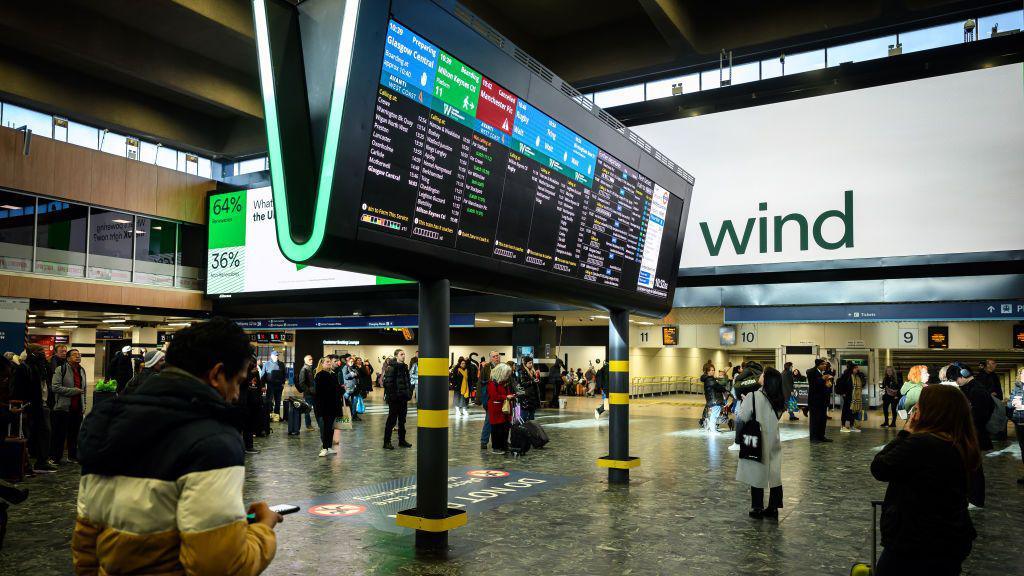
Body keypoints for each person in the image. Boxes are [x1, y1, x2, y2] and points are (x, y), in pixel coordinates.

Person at [73, 317, 281, 575]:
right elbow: (220, 566)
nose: (237, 394)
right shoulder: (214, 442)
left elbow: (86, 541)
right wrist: (263, 529)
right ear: (217, 374)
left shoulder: (106, 423)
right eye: (236, 382)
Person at [870, 384, 979, 575]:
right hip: (948, 538)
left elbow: (880, 467)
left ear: (933, 411)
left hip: (915, 542)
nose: (915, 410)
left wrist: (905, 433)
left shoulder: (923, 444)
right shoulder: (958, 442)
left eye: (919, 406)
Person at [737, 367, 786, 519]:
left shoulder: (753, 396)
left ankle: (757, 507)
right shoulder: (778, 398)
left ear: (766, 379)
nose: (760, 375)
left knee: (756, 472)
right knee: (775, 473)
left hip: (758, 440)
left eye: (763, 374)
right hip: (774, 440)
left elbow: (742, 417)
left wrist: (744, 403)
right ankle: (773, 507)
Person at [13, 345, 56, 473]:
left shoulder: (43, 367)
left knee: (44, 433)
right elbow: (18, 389)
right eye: (39, 351)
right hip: (31, 406)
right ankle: (28, 464)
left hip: (43, 405)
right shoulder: (25, 368)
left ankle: (41, 461)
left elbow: (46, 386)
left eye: (43, 351)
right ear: (31, 353)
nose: (42, 353)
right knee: (31, 434)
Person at [50, 348, 87, 464]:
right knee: (59, 434)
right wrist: (73, 391)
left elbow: (84, 390)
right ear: (68, 358)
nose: (78, 356)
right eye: (75, 355)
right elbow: (55, 387)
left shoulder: (82, 370)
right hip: (63, 408)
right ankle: (55, 458)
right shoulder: (61, 369)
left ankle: (72, 456)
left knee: (74, 434)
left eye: (79, 354)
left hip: (77, 408)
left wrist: (84, 404)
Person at [951, 363, 993, 452]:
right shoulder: (971, 387)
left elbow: (980, 415)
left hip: (975, 435)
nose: (956, 382)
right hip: (974, 434)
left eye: (956, 379)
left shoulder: (976, 390)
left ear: (964, 374)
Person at [382, 349, 412, 450]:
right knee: (391, 421)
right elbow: (388, 384)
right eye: (401, 354)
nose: (403, 356)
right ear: (396, 356)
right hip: (395, 400)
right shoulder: (391, 367)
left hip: (403, 398)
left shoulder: (405, 367)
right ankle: (386, 442)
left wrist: (408, 394)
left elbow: (407, 382)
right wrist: (393, 397)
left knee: (402, 421)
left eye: (404, 354)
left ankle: (402, 441)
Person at [485, 363, 516, 454]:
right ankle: (496, 447)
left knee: (505, 428)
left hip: (504, 409)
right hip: (496, 409)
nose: (507, 375)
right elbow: (494, 396)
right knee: (497, 429)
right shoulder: (492, 383)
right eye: (506, 373)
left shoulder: (504, 383)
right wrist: (506, 397)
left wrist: (510, 396)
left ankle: (504, 445)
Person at [313, 357, 339, 457]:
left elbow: (336, 389)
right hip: (324, 406)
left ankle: (328, 447)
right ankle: (324, 448)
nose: (329, 363)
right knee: (325, 428)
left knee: (331, 427)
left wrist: (341, 389)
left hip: (332, 405)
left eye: (329, 362)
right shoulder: (319, 375)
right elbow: (319, 393)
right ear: (322, 364)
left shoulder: (332, 374)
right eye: (327, 362)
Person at [806, 358, 832, 443]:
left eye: (825, 364)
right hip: (814, 401)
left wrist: (827, 381)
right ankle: (813, 438)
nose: (825, 365)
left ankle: (821, 436)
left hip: (822, 400)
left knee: (822, 419)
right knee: (814, 419)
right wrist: (823, 379)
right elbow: (814, 384)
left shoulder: (823, 373)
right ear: (818, 365)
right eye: (823, 364)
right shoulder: (812, 372)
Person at [479, 351, 501, 449]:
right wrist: (479, 399)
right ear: (491, 358)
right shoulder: (486, 368)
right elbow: (480, 383)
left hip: (500, 397)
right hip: (489, 398)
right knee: (488, 420)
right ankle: (484, 441)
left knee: (499, 421)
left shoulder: (502, 367)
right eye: (495, 356)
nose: (497, 358)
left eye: (498, 356)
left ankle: (498, 441)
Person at [1008, 368, 1024, 485]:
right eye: (1023, 374)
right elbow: (1009, 403)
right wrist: (1012, 403)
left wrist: (1022, 406)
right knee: (1023, 448)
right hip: (1019, 421)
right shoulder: (1017, 387)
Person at [701, 362, 727, 432]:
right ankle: (713, 430)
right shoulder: (710, 380)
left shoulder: (709, 379)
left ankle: (712, 428)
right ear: (707, 371)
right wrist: (724, 389)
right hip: (714, 399)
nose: (713, 371)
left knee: (714, 414)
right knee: (714, 415)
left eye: (713, 370)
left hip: (713, 399)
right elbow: (718, 387)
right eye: (711, 370)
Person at [836, 362, 862, 433]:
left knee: (853, 411)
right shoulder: (846, 375)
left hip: (855, 397)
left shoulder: (857, 376)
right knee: (845, 410)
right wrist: (843, 393)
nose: (857, 369)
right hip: (848, 396)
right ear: (852, 369)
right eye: (856, 368)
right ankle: (843, 426)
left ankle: (851, 426)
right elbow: (840, 383)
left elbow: (862, 382)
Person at [260, 350, 286, 418]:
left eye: (277, 355)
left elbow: (284, 374)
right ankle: (269, 415)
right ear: (271, 356)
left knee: (278, 401)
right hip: (270, 385)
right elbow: (263, 376)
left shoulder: (281, 364)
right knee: (269, 401)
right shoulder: (266, 364)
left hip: (279, 386)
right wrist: (263, 386)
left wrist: (283, 383)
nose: (277, 357)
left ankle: (276, 415)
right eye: (275, 355)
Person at [516, 356, 541, 421]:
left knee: (531, 416)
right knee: (524, 416)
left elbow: (536, 382)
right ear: (525, 363)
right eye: (529, 363)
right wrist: (532, 381)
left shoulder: (533, 371)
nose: (531, 364)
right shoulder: (522, 371)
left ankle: (530, 429)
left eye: (532, 363)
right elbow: (522, 383)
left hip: (533, 397)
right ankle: (523, 429)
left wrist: (538, 378)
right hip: (526, 397)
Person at [296, 354, 316, 431]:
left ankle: (317, 424)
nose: (311, 360)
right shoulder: (304, 369)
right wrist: (309, 390)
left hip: (314, 393)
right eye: (309, 359)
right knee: (308, 410)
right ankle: (308, 425)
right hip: (309, 394)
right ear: (306, 361)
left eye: (312, 359)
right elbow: (301, 383)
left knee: (316, 409)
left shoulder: (311, 368)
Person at [342, 356, 361, 422]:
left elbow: (358, 375)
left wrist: (356, 373)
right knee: (344, 400)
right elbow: (345, 376)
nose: (352, 362)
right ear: (348, 362)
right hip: (349, 387)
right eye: (351, 361)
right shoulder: (345, 367)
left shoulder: (354, 367)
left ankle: (354, 416)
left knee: (355, 402)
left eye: (353, 361)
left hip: (355, 387)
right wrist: (352, 374)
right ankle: (345, 415)